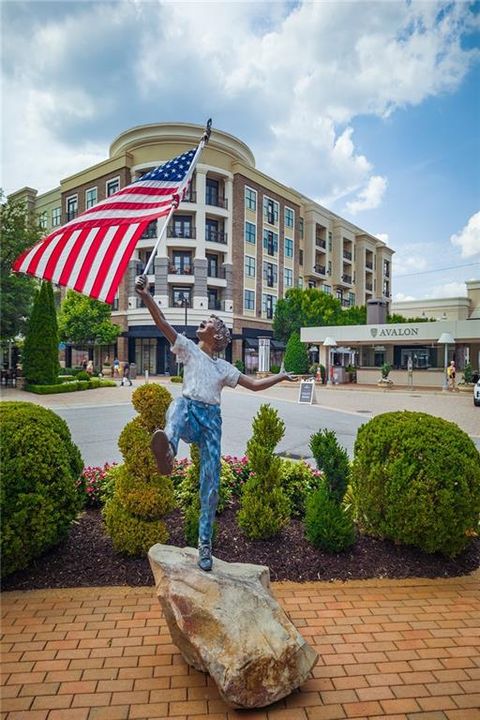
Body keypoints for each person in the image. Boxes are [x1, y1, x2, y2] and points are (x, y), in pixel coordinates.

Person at [135, 274, 295, 572]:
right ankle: (168, 450)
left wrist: (281, 376)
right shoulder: (188, 349)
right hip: (189, 412)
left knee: (210, 484)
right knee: (177, 404)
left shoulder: (223, 367)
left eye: (208, 322)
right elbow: (162, 325)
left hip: (210, 424)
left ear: (218, 336)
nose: (203, 323)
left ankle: (204, 545)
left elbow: (254, 385)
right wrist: (146, 297)